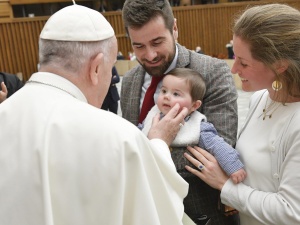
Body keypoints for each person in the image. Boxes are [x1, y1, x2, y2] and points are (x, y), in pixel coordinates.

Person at [0, 4, 191, 225]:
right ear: (97, 68)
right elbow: (159, 214)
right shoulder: (120, 138)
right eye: (111, 69)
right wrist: (158, 144)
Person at [121, 0, 238, 224]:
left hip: (199, 213)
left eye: (157, 42)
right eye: (139, 46)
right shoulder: (129, 82)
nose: (150, 54)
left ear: (174, 28)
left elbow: (218, 152)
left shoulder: (212, 72)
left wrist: (155, 145)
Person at [185, 4, 300, 225]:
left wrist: (224, 185)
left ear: (281, 65)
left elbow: (292, 212)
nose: (234, 69)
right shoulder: (259, 99)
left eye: (244, 62)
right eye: (235, 57)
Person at [141, 68, 246, 184]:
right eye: (164, 91)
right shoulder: (154, 114)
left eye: (176, 94)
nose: (166, 96)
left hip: (181, 182)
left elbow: (218, 146)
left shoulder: (197, 126)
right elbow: (140, 131)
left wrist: (234, 166)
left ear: (194, 105)